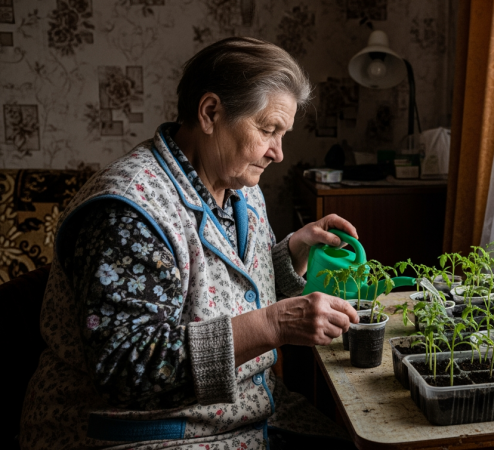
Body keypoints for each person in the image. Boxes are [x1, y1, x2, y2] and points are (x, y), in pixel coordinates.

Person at [21, 37, 360, 449]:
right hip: (145, 433)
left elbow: (225, 289)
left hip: (243, 412)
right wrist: (275, 324)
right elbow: (129, 369)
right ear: (210, 112)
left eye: (282, 134)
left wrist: (290, 254)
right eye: (268, 130)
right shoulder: (128, 212)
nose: (279, 153)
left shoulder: (240, 186)